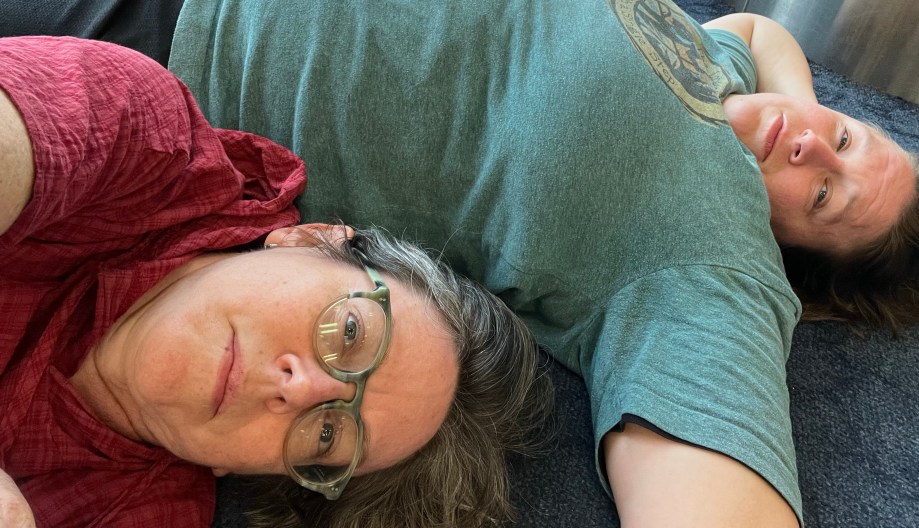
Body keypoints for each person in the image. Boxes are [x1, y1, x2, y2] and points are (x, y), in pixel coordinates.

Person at [0, 0, 919, 528]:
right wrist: (804, 107)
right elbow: (761, 27)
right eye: (850, 138)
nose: (811, 145)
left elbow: (719, 499)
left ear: (784, 258)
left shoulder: (713, 265)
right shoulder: (722, 68)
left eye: (824, 196)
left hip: (132, 64)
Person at [0, 36, 552, 528]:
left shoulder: (140, 514)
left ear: (249, 469)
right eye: (350, 333)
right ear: (307, 240)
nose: (301, 390)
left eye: (328, 434)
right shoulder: (147, 138)